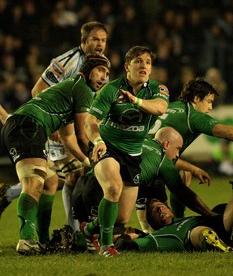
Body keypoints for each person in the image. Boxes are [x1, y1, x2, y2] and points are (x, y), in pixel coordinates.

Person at [0, 21, 109, 230]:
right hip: (53, 126)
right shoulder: (67, 61)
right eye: (95, 39)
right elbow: (37, 90)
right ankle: (71, 231)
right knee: (65, 176)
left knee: (55, 180)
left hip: (67, 125)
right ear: (84, 41)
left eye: (103, 40)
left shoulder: (101, 67)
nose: (100, 44)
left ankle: (9, 196)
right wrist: (56, 120)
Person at [82, 45, 169, 257]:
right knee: (113, 188)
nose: (144, 66)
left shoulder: (157, 89)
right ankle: (106, 246)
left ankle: (88, 229)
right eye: (138, 61)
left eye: (147, 62)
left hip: (133, 154)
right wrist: (98, 140)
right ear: (127, 67)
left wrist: (135, 100)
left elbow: (160, 108)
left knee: (121, 219)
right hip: (107, 147)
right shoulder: (111, 89)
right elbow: (90, 121)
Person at [74, 127, 217, 246]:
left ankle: (84, 232)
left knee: (96, 238)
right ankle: (96, 240)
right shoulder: (161, 160)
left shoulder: (142, 141)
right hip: (99, 193)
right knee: (113, 238)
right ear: (166, 144)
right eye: (178, 149)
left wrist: (193, 169)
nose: (177, 155)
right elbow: (182, 192)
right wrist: (209, 214)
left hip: (84, 183)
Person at [145, 79, 233, 222]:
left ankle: (177, 220)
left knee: (185, 173)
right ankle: (179, 222)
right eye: (209, 101)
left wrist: (194, 169)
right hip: (151, 172)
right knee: (172, 199)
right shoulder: (192, 115)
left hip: (139, 156)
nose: (210, 107)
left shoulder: (170, 106)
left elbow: (164, 155)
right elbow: (226, 132)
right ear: (196, 98)